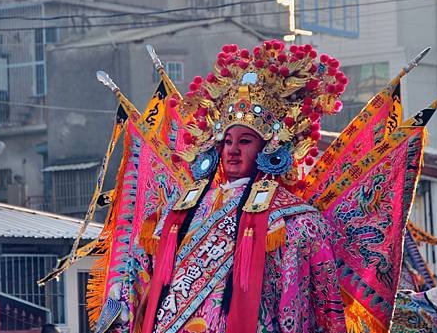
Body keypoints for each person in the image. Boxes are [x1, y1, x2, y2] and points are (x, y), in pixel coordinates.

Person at [131, 40, 348, 333]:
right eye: (227, 142)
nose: (232, 151)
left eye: (245, 142)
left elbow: (306, 299)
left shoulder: (294, 220)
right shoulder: (184, 208)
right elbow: (148, 273)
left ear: (267, 148)